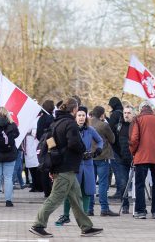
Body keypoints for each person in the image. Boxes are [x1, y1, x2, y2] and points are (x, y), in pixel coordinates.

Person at [29, 98, 103, 238]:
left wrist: (54, 161)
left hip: (61, 166)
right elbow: (74, 143)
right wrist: (83, 150)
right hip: (66, 168)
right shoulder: (70, 124)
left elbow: (49, 141)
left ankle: (86, 227)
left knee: (76, 198)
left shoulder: (56, 122)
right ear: (74, 110)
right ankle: (38, 225)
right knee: (55, 198)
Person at [55, 105, 103, 226]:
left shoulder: (90, 130)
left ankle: (84, 216)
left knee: (87, 190)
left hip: (88, 164)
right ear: (75, 116)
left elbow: (100, 141)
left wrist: (98, 150)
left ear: (86, 117)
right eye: (79, 115)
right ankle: (66, 215)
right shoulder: (71, 128)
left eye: (83, 115)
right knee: (69, 191)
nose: (81, 117)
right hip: (74, 164)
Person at [129, 101, 155, 219]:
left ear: (141, 109)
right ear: (151, 109)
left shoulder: (137, 119)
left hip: (141, 157)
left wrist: (133, 152)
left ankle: (141, 211)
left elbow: (134, 138)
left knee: (140, 184)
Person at [89, 105, 119, 216]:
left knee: (91, 183)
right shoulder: (104, 125)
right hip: (103, 156)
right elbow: (113, 139)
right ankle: (104, 208)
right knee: (102, 183)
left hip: (90, 157)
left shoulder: (88, 124)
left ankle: (89, 209)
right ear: (102, 114)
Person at [115, 105, 135, 213]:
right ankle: (125, 205)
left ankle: (138, 205)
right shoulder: (118, 126)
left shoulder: (136, 125)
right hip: (122, 159)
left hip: (135, 159)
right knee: (123, 183)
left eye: (129, 113)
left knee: (138, 184)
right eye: (125, 113)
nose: (126, 115)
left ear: (133, 114)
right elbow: (114, 142)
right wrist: (118, 155)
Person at [37, 100, 56, 198]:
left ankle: (46, 191)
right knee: (51, 166)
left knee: (44, 166)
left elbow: (38, 134)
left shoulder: (40, 119)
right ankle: (51, 190)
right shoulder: (52, 119)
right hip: (52, 144)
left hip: (42, 145)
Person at [107, 96, 124, 198]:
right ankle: (123, 191)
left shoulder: (115, 114)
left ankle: (119, 191)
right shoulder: (124, 113)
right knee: (122, 169)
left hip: (115, 146)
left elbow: (110, 131)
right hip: (123, 145)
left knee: (117, 169)